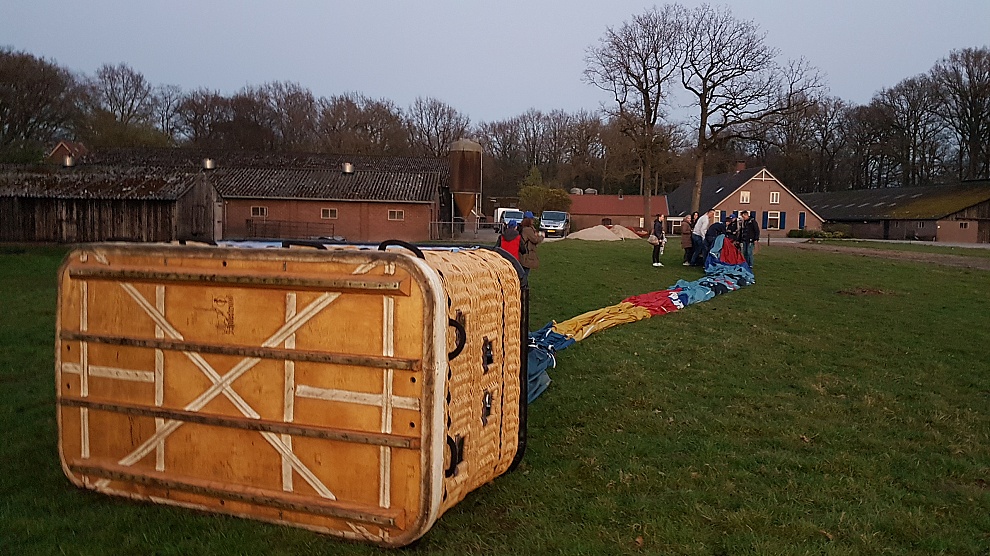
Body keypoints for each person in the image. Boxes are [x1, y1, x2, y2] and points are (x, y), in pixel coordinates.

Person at [519, 212, 543, 277]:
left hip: (522, 254)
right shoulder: (528, 230)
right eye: (532, 219)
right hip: (526, 255)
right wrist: (542, 236)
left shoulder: (523, 228)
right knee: (524, 274)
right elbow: (535, 240)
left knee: (523, 273)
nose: (533, 220)